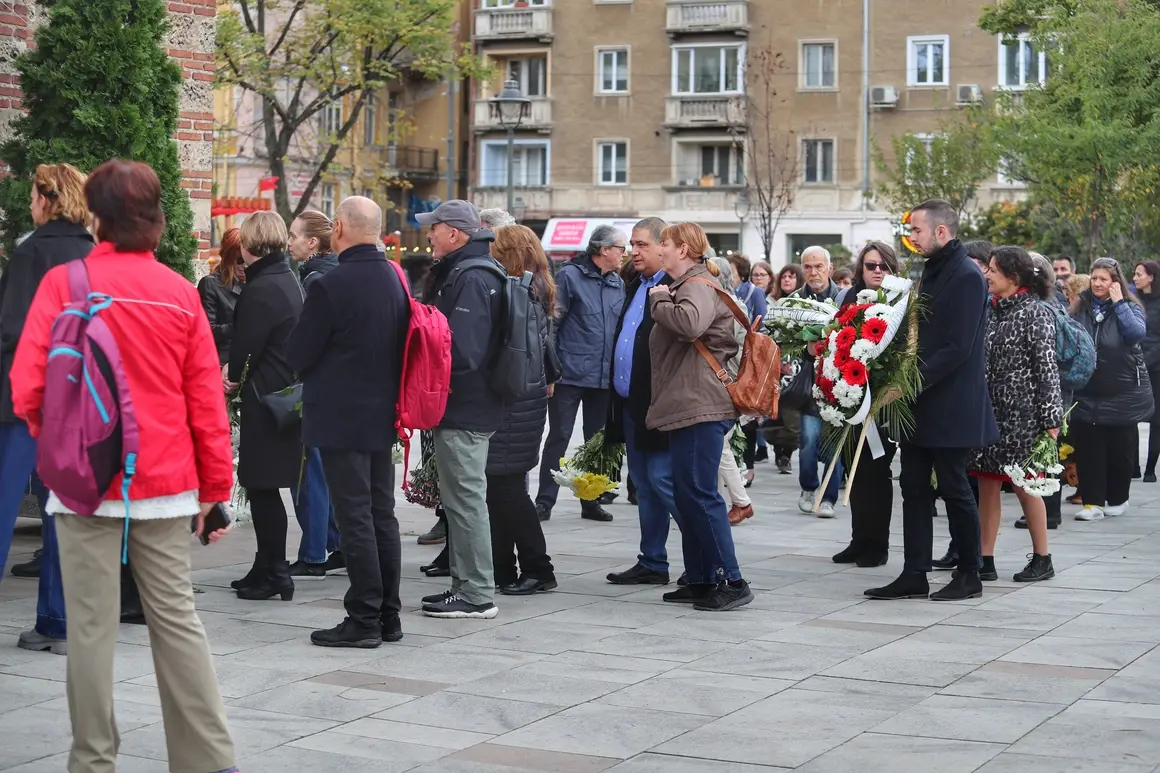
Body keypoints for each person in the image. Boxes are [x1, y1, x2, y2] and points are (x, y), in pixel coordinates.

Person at [11, 159, 238, 773]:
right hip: (164, 485)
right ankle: (209, 761)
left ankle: (92, 762)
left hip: (83, 486)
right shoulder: (178, 293)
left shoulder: (66, 283)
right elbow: (205, 403)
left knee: (88, 628)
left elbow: (27, 385)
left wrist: (57, 443)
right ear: (157, 219)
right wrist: (215, 488)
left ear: (98, 216)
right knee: (177, 621)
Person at [286, 196, 408, 647]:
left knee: (354, 515)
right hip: (382, 413)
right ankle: (388, 616)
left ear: (338, 228)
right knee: (381, 514)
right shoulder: (395, 278)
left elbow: (298, 353)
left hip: (340, 414)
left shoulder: (331, 285)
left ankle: (363, 618)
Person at [865, 199, 997, 602]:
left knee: (956, 487)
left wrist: (907, 384)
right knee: (914, 486)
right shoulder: (931, 270)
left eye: (917, 230)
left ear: (942, 232)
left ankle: (970, 573)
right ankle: (915, 572)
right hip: (923, 402)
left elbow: (958, 347)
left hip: (951, 402)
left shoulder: (967, 276)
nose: (911, 237)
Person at [0, 163, 94, 655]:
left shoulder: (31, 252)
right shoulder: (97, 256)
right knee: (64, 518)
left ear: (47, 198)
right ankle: (57, 623)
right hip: (77, 407)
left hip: (22, 405)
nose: (29, 203)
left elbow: (12, 331)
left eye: (33, 195)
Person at [647, 222, 752, 611]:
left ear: (685, 250)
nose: (660, 249)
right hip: (689, 403)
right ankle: (702, 579)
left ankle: (732, 579)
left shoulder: (694, 286)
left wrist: (658, 301)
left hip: (701, 405)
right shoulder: (684, 285)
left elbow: (690, 324)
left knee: (702, 495)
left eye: (665, 243)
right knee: (690, 495)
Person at [419, 200, 504, 619]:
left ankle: (476, 594)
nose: (429, 235)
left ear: (455, 233)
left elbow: (464, 351)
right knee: (461, 499)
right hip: (469, 405)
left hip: (465, 406)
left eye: (433, 228)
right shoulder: (474, 270)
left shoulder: (470, 277)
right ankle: (466, 586)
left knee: (466, 501)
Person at [972, 246, 1063, 582]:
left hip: (1024, 417)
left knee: (1027, 486)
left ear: (1012, 276)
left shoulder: (1037, 313)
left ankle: (1043, 558)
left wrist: (1051, 418)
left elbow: (1047, 369)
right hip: (989, 412)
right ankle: (986, 558)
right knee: (987, 485)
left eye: (993, 270)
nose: (987, 274)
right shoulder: (990, 310)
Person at [226, 211, 304, 601]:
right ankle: (265, 565)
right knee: (265, 486)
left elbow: (245, 345)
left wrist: (232, 377)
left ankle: (276, 573)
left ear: (248, 245)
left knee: (262, 486)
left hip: (267, 398)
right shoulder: (286, 277)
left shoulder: (262, 287)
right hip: (285, 396)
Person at [605, 218, 680, 586]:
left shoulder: (674, 287)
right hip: (631, 404)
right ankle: (653, 561)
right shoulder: (637, 283)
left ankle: (706, 559)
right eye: (632, 244)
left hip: (659, 406)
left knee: (664, 481)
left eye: (642, 245)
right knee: (644, 484)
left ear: (663, 246)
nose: (634, 251)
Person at [535, 225, 626, 523]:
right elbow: (554, 325)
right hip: (569, 375)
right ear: (603, 250)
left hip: (603, 378)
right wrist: (552, 368)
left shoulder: (617, 283)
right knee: (559, 436)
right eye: (621, 248)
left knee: (596, 443)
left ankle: (590, 501)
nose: (624, 254)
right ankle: (544, 501)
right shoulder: (570, 276)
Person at [487, 225, 557, 595]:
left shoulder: (519, 291)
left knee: (508, 489)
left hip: (515, 402)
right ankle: (504, 568)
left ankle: (538, 568)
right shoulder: (538, 286)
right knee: (500, 488)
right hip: (526, 398)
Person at [831, 241, 901, 568]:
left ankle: (878, 544)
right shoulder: (848, 297)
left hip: (884, 399)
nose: (876, 271)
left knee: (876, 470)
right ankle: (859, 540)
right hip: (852, 395)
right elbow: (837, 338)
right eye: (870, 265)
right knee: (853, 470)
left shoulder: (900, 300)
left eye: (883, 266)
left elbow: (905, 352)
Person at [1070, 257, 1153, 520]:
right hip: (1087, 389)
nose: (1097, 283)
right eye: (1094, 278)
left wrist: (1119, 304)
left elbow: (1135, 333)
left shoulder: (1129, 306)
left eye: (1103, 279)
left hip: (1121, 390)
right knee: (1088, 448)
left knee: (1120, 448)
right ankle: (1092, 503)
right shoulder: (1080, 305)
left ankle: (1118, 498)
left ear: (1115, 282)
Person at [284, 210, 343, 580]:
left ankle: (313, 553)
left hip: (318, 387)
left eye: (294, 235)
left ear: (313, 243)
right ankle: (337, 545)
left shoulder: (316, 277)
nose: (289, 242)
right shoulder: (335, 271)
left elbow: (310, 338)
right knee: (324, 471)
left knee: (308, 470)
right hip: (338, 387)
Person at [792, 246, 844, 518]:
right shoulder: (794, 302)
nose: (814, 272)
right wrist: (806, 348)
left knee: (834, 443)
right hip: (808, 387)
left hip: (839, 386)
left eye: (818, 266)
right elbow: (786, 343)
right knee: (809, 441)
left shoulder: (844, 298)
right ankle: (809, 487)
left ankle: (829, 497)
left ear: (829, 268)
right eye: (808, 267)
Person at [709, 257, 755, 525]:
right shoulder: (733, 302)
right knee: (717, 445)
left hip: (725, 382)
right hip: (730, 380)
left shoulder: (724, 305)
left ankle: (740, 501)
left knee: (718, 444)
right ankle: (717, 502)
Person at [197, 227, 244, 366]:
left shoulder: (255, 284)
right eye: (239, 260)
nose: (244, 265)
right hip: (219, 363)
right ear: (228, 258)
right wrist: (239, 326)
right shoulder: (211, 284)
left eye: (248, 258)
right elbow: (207, 330)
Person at [1133, 260, 1160, 482]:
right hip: (1135, 363)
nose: (1134, 278)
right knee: (1130, 416)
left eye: (1139, 274)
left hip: (1156, 366)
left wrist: (1149, 360)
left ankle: (1150, 468)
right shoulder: (1134, 301)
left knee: (1157, 420)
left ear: (1151, 276)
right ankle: (1133, 466)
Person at [727, 253, 768, 327]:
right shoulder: (726, 290)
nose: (727, 274)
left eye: (731, 271)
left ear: (742, 274)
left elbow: (762, 323)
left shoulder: (755, 292)